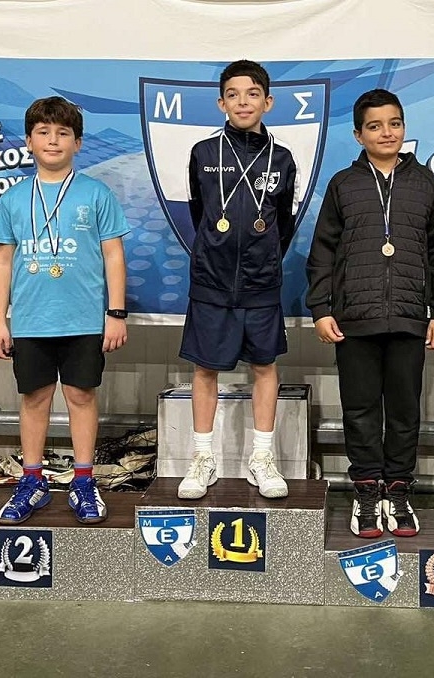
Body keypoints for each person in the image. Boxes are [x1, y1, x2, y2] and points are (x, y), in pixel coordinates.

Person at [306, 89, 434, 538]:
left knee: (405, 411)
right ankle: (368, 491)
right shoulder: (343, 185)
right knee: (361, 410)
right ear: (359, 135)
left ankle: (399, 490)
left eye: (394, 124)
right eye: (374, 126)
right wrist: (321, 308)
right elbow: (322, 252)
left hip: (410, 317)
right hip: (355, 319)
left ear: (404, 128)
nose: (386, 133)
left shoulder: (425, 184)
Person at [0, 96, 129, 526]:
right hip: (31, 319)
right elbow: (3, 261)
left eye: (63, 133)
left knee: (81, 396)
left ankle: (83, 481)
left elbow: (113, 255)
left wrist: (116, 313)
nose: (53, 140)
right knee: (34, 398)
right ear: (28, 141)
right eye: (44, 132)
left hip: (83, 319)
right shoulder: (14, 198)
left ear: (78, 143)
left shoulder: (95, 193)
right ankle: (31, 481)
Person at [177, 60, 297, 500]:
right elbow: (200, 214)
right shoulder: (204, 154)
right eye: (233, 94)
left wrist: (262, 259)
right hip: (211, 279)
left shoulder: (282, 158)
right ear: (221, 103)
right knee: (204, 368)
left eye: (252, 94)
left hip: (261, 282)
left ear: (268, 102)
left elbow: (283, 223)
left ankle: (261, 458)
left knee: (265, 366)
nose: (242, 102)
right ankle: (202, 458)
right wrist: (217, 249)